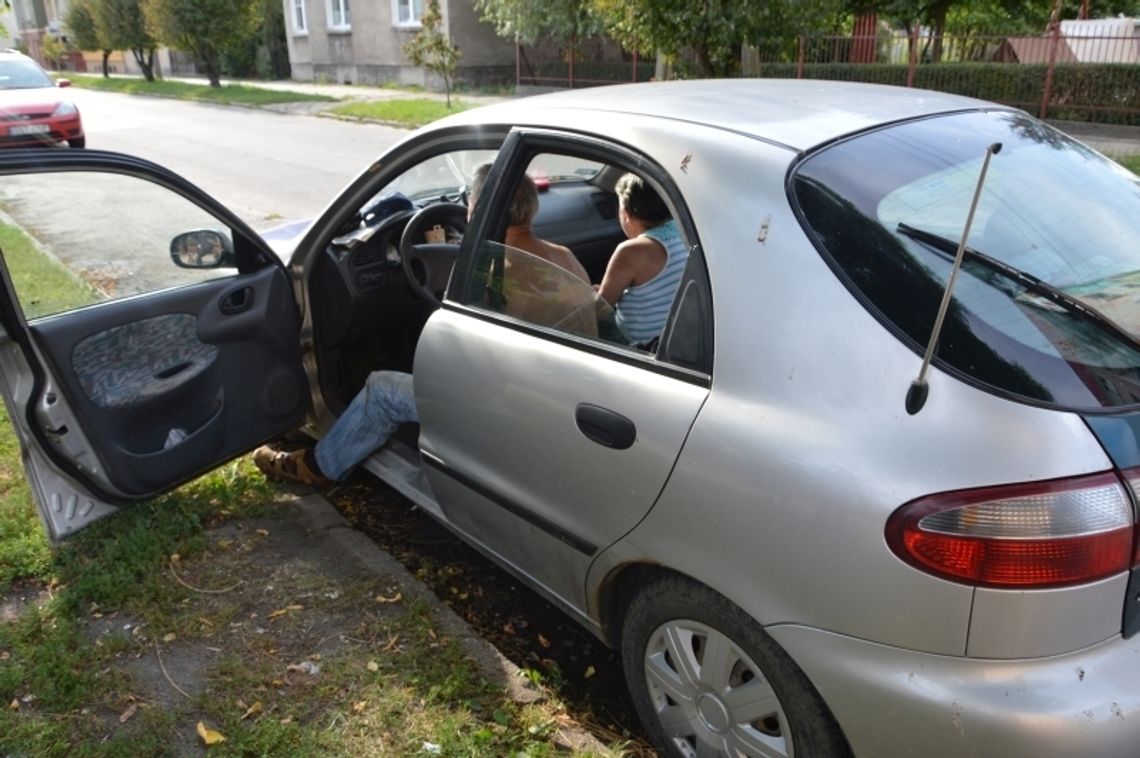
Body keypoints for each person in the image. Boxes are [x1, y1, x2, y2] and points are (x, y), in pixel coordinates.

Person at [253, 167, 587, 486]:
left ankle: (316, 468)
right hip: (562, 399)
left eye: (471, 201)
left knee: (381, 390)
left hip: (505, 409)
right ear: (532, 206)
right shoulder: (565, 257)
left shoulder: (485, 272)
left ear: (478, 208)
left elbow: (455, 355)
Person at [596, 173, 689, 345]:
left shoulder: (631, 251)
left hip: (639, 346)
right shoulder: (684, 231)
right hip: (675, 339)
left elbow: (601, 308)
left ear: (626, 213)